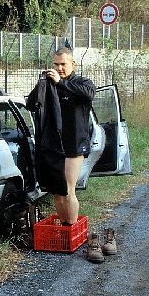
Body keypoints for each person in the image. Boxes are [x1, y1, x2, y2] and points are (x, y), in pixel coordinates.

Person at [27, 47, 96, 225]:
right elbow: (31, 104)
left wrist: (60, 83)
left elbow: (89, 94)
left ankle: (71, 226)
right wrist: (41, 85)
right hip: (54, 143)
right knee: (58, 190)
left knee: (68, 188)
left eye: (63, 64)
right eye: (56, 64)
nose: (59, 68)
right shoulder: (51, 83)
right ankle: (65, 226)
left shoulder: (82, 82)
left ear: (72, 64)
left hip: (74, 144)